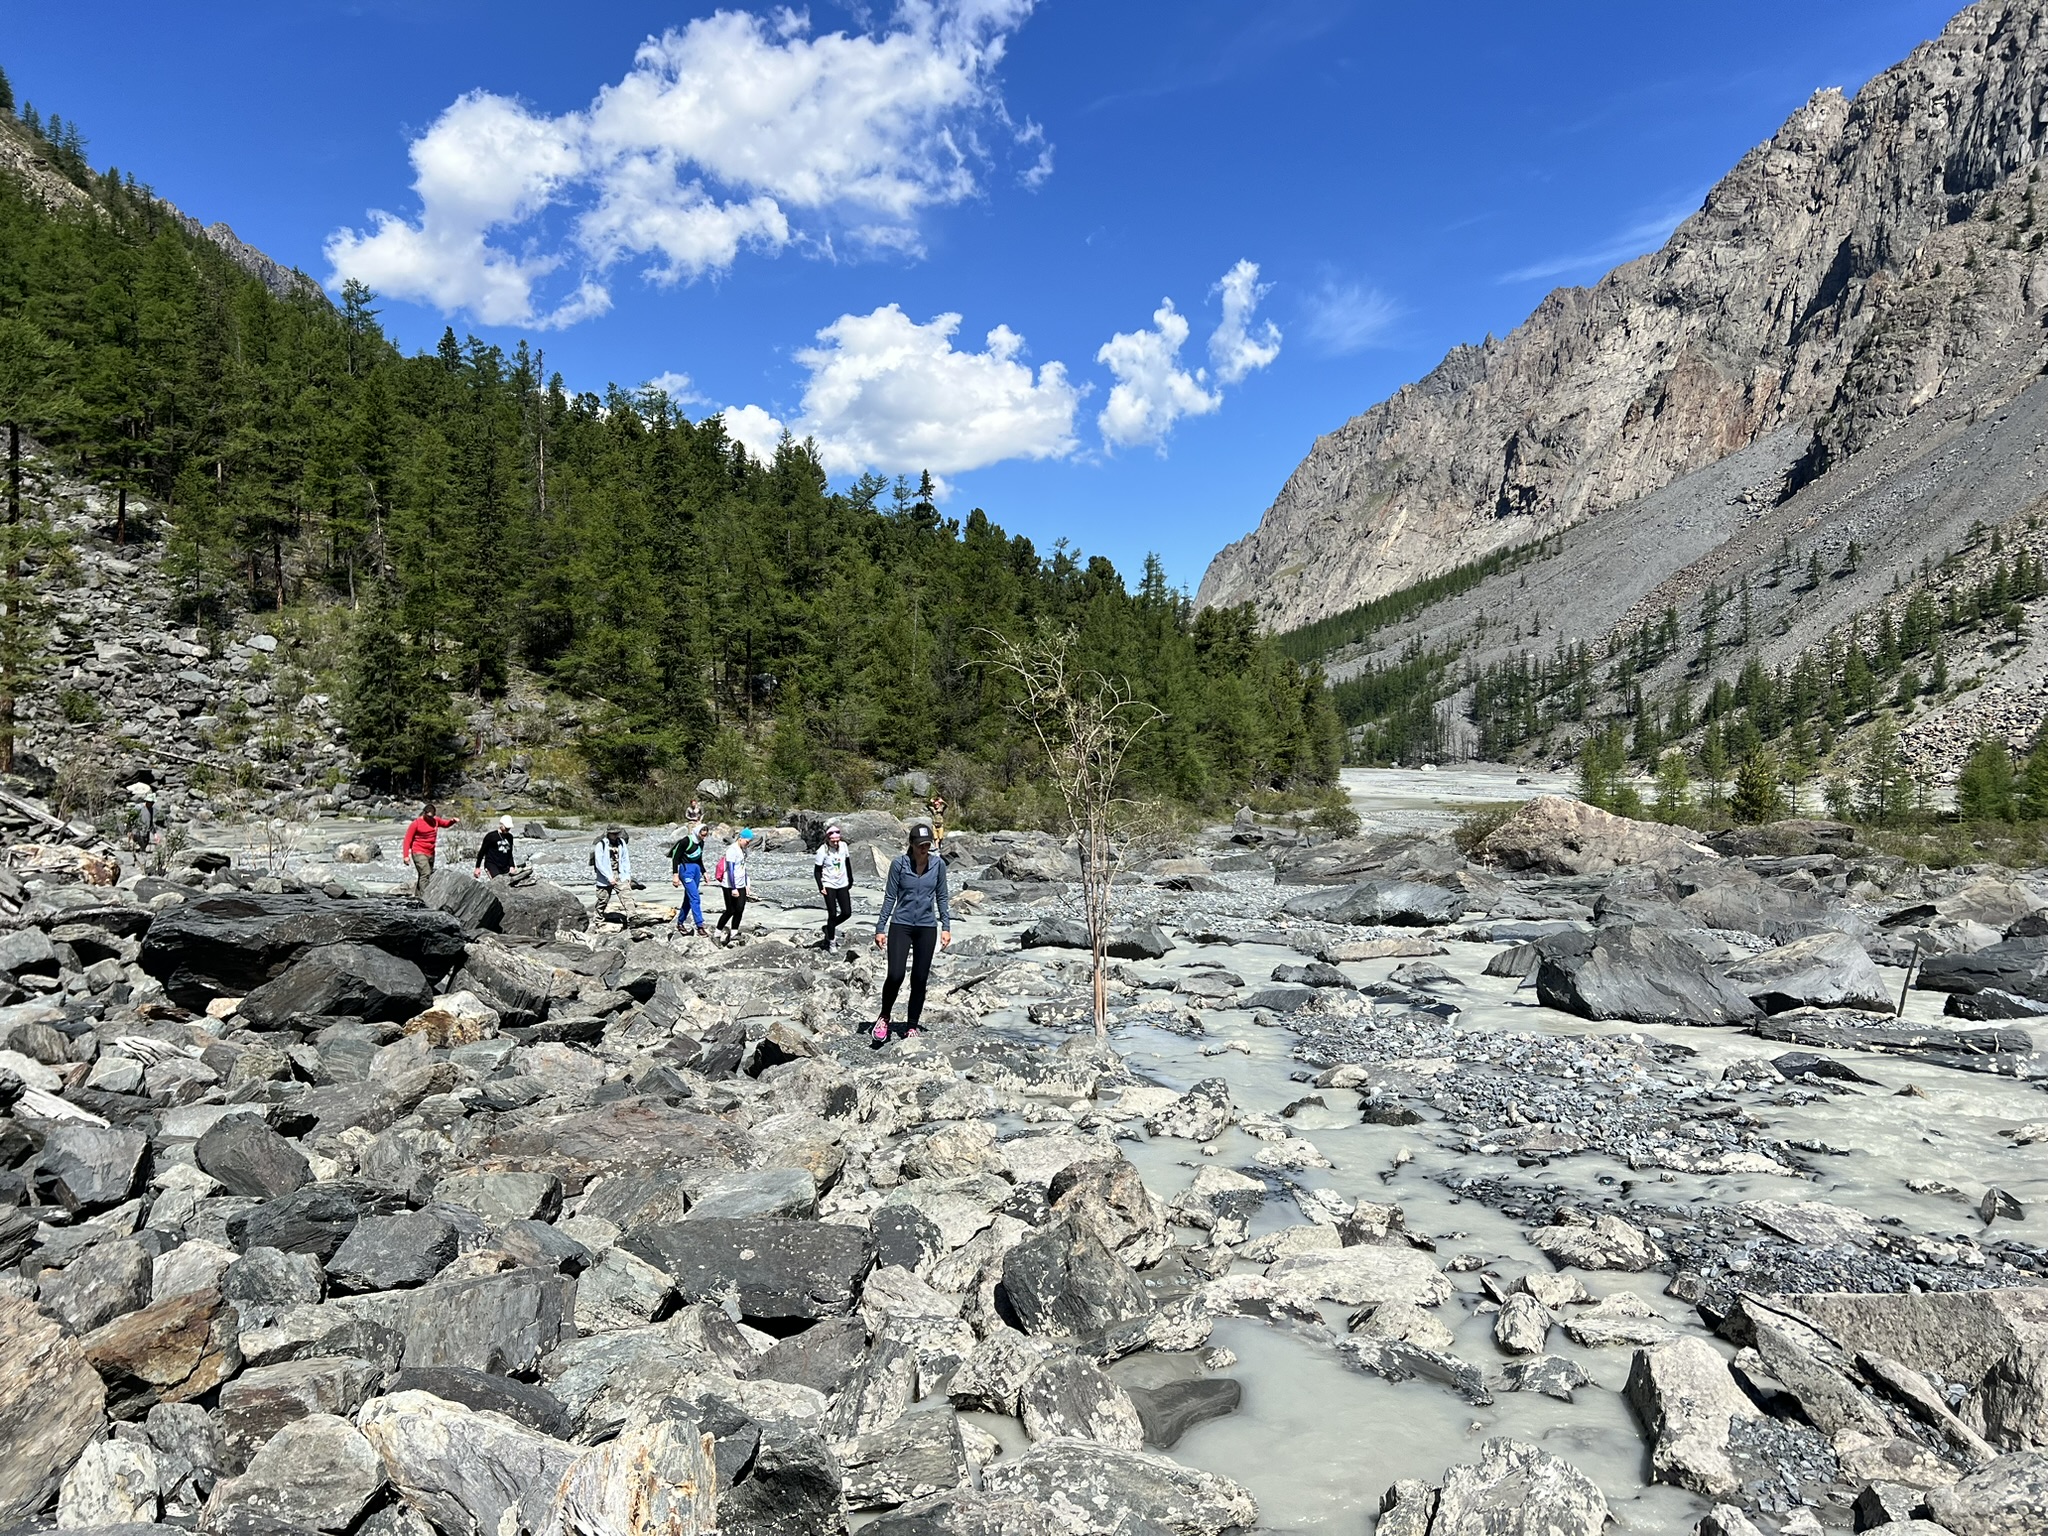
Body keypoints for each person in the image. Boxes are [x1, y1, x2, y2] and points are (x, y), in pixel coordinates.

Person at [870, 820, 951, 1046]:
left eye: (927, 844)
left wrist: (946, 926)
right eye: (920, 845)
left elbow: (942, 897)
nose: (924, 849)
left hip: (926, 926)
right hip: (901, 925)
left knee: (919, 978)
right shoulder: (899, 864)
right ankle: (884, 1017)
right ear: (912, 844)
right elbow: (890, 897)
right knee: (895, 975)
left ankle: (912, 1025)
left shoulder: (938, 865)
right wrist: (880, 928)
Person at [401, 802, 458, 898]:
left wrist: (452, 821)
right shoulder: (416, 824)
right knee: (425, 873)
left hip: (430, 852)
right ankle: (425, 898)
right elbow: (407, 840)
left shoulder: (435, 821)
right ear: (424, 813)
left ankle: (418, 897)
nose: (430, 819)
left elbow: (445, 824)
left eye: (432, 817)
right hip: (418, 851)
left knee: (425, 875)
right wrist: (406, 856)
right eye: (428, 817)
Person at [813, 824, 854, 951]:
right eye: (833, 841)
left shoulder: (843, 846)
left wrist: (850, 879)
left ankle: (828, 928)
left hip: (842, 883)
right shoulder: (822, 851)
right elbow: (817, 871)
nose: (836, 843)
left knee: (847, 912)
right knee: (832, 913)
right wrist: (821, 887)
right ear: (828, 839)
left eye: (837, 840)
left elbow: (847, 863)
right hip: (829, 884)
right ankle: (831, 941)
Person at [715, 828, 754, 943]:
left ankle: (734, 933)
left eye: (749, 842)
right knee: (730, 910)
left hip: (741, 883)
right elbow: (731, 870)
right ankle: (717, 932)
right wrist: (734, 888)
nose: (748, 844)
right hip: (729, 885)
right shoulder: (732, 850)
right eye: (747, 841)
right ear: (740, 838)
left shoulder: (743, 850)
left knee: (740, 908)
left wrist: (747, 883)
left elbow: (743, 867)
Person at [669, 822, 708, 938]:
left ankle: (680, 922)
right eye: (702, 834)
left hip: (696, 870)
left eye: (705, 835)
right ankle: (700, 925)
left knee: (689, 898)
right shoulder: (686, 841)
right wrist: (675, 875)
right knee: (695, 897)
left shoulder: (701, 843)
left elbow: (699, 859)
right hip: (686, 870)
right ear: (697, 832)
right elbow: (675, 858)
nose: (704, 837)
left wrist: (704, 872)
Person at [592, 827, 634, 915]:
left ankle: (632, 917)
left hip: (620, 874)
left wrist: (627, 875)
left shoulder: (621, 843)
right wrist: (609, 877)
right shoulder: (601, 844)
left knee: (627, 896)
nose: (615, 836)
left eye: (617, 833)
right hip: (605, 876)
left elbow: (625, 859)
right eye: (613, 834)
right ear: (608, 833)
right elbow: (599, 864)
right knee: (603, 900)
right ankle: (598, 920)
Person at [474, 815, 516, 879]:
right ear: (501, 825)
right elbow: (482, 852)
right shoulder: (491, 836)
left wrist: (512, 866)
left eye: (509, 828)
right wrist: (477, 867)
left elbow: (509, 853)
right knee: (497, 882)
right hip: (492, 864)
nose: (508, 829)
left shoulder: (510, 837)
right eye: (506, 827)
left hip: (505, 865)